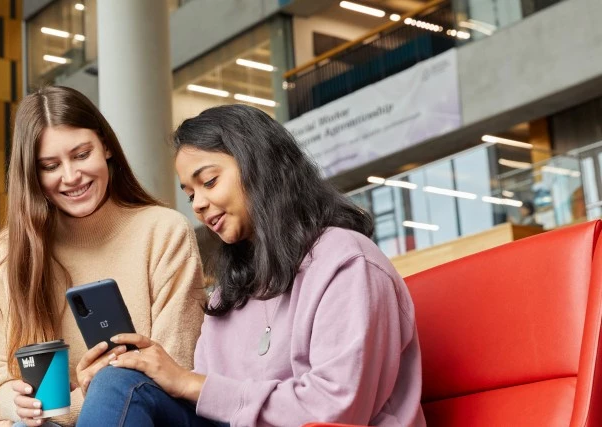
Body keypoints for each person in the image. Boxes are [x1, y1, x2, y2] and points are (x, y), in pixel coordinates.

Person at [77, 104, 426, 427]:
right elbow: (213, 410)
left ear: (259, 165)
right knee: (117, 382)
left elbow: (338, 408)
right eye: (189, 194)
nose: (197, 204)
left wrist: (188, 383)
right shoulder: (227, 298)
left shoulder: (348, 263)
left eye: (209, 181)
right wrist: (137, 376)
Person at [0, 86, 206, 427]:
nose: (71, 177)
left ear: (106, 146)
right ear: (32, 175)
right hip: (44, 424)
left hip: (145, 414)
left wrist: (86, 397)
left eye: (81, 155)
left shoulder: (163, 231)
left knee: (112, 386)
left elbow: (174, 366)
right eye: (50, 166)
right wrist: (15, 401)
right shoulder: (14, 249)